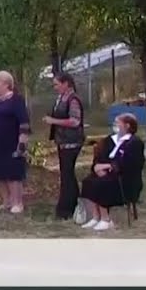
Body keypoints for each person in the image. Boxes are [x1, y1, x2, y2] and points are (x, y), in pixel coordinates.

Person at [79, 113, 145, 232]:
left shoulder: (134, 142)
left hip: (125, 179)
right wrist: (97, 168)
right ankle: (96, 216)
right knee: (89, 181)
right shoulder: (109, 140)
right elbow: (100, 158)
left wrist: (108, 167)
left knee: (102, 184)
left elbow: (130, 163)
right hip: (108, 173)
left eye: (118, 123)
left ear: (127, 125)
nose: (115, 125)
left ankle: (106, 220)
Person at [0, 71, 31, 214]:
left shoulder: (16, 101)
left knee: (13, 173)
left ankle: (17, 203)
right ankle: (6, 201)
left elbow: (24, 123)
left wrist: (22, 144)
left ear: (7, 84)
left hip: (11, 142)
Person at [45, 72, 85, 221]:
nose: (55, 87)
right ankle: (74, 203)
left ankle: (65, 209)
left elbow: (75, 121)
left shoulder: (73, 99)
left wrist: (53, 121)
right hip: (62, 141)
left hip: (72, 141)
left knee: (67, 174)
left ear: (66, 83)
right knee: (67, 174)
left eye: (57, 84)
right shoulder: (61, 98)